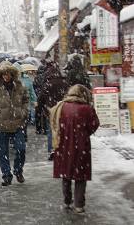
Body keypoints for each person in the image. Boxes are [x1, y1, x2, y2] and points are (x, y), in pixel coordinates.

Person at [50, 84, 99, 214]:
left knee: (65, 174)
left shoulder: (61, 106)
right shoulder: (87, 109)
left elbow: (54, 124)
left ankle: (67, 201)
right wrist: (84, 133)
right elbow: (94, 125)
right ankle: (79, 205)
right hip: (81, 146)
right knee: (80, 176)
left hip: (63, 145)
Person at [0, 61, 29, 186]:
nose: (6, 76)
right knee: (2, 152)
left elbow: (26, 100)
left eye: (8, 73)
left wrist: (23, 111)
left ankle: (18, 170)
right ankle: (6, 175)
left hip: (18, 123)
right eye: (4, 74)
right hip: (1, 124)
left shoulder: (20, 86)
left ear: (12, 74)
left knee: (21, 149)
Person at [38, 63, 68, 160]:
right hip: (63, 109)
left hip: (50, 110)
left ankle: (52, 150)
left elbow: (41, 98)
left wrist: (40, 108)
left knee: (51, 130)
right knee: (62, 130)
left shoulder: (47, 84)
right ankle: (63, 148)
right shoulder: (64, 83)